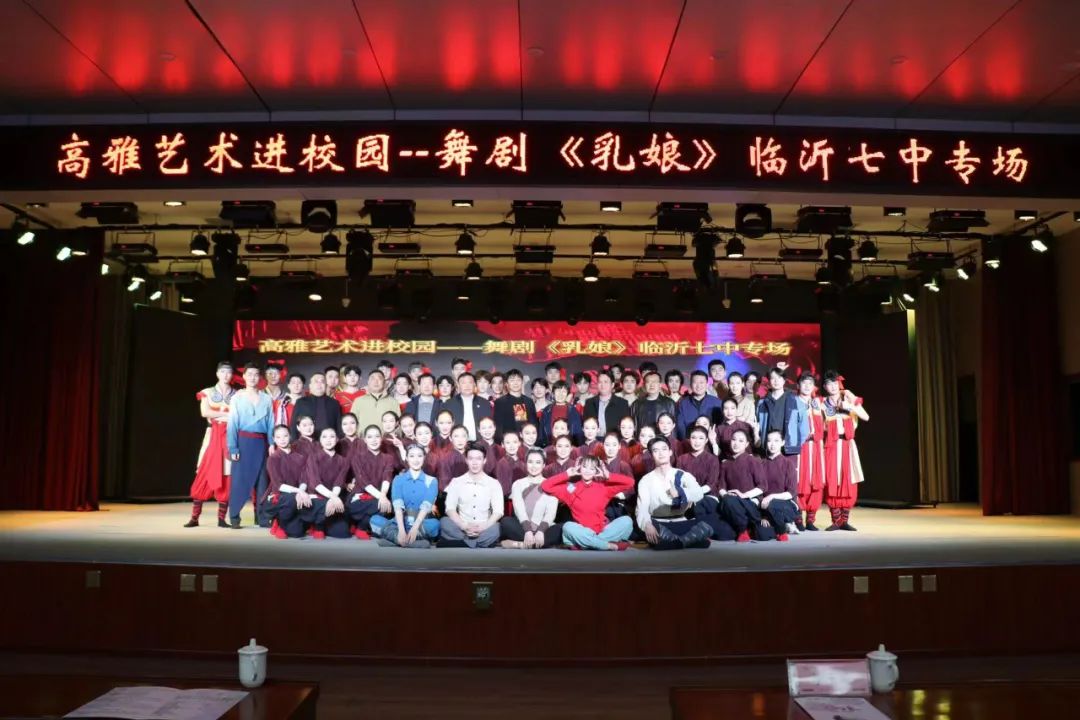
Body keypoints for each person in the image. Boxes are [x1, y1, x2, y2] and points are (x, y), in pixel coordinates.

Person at [542, 456, 634, 551]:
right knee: (567, 527)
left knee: (627, 521)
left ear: (596, 471)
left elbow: (630, 483)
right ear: (579, 468)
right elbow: (545, 486)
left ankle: (588, 544)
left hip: (601, 532)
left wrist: (608, 475)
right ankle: (608, 545)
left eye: (592, 468)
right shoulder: (570, 488)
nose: (587, 471)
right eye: (585, 467)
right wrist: (567, 474)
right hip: (581, 532)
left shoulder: (604, 487)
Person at [635, 437, 712, 550]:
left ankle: (674, 542)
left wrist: (681, 492)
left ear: (670, 452)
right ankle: (688, 540)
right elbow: (642, 508)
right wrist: (647, 525)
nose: (661, 453)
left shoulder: (682, 475)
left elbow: (698, 493)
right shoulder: (646, 480)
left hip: (681, 521)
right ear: (651, 455)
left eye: (664, 449)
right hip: (659, 523)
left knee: (708, 523)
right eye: (656, 450)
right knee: (647, 529)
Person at [185, 361, 234, 528]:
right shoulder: (207, 392)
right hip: (212, 434)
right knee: (205, 471)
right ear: (217, 373)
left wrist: (218, 415)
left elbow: (238, 416)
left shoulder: (237, 395)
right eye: (223, 371)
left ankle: (222, 518)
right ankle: (194, 517)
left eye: (229, 372)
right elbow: (204, 412)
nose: (226, 375)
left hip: (229, 436)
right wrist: (226, 415)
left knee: (227, 473)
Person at [226, 363, 273, 528]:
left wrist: (272, 443)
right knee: (239, 480)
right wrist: (233, 447)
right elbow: (232, 424)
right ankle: (234, 517)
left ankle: (262, 518)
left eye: (256, 374)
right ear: (244, 376)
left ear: (259, 378)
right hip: (243, 441)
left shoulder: (266, 398)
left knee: (262, 481)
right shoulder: (237, 398)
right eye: (250, 374)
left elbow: (271, 423)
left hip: (261, 442)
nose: (253, 377)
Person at [820, 371, 869, 531]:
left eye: (835, 383)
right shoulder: (822, 403)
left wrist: (851, 406)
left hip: (848, 444)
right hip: (831, 445)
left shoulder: (848, 398)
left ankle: (844, 520)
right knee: (832, 479)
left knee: (849, 480)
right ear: (825, 386)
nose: (833, 387)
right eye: (829, 384)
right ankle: (836, 520)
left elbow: (866, 417)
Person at [370, 444, 440, 548]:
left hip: (421, 522)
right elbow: (398, 506)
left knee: (435, 525)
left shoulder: (432, 481)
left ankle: (395, 540)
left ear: (424, 458)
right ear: (406, 458)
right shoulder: (398, 479)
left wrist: (415, 528)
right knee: (374, 520)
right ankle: (409, 541)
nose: (416, 460)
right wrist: (401, 530)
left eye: (419, 456)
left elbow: (426, 506)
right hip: (400, 522)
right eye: (412, 456)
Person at [439, 443, 504, 548]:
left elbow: (498, 512)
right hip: (462, 526)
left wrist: (483, 527)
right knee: (444, 522)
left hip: (484, 527)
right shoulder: (456, 482)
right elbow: (450, 509)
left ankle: (462, 543)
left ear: (484, 460)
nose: (474, 463)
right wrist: (464, 526)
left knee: (497, 528)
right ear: (466, 460)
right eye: (471, 459)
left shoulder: (494, 483)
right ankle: (478, 543)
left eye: (478, 459)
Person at [716, 429, 772, 542]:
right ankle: (744, 528)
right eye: (734, 440)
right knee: (722, 534)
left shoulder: (753, 461)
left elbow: (763, 486)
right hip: (732, 503)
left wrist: (744, 495)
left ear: (746, 444)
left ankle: (746, 527)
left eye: (741, 441)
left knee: (763, 535)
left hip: (750, 502)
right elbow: (721, 486)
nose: (736, 443)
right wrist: (726, 494)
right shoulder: (726, 464)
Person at [500, 449, 562, 549]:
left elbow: (551, 513)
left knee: (562, 528)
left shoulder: (551, 485)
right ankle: (537, 544)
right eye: (530, 462)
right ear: (526, 464)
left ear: (544, 465)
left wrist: (540, 531)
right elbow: (519, 509)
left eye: (538, 462)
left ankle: (520, 544)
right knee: (506, 522)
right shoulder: (518, 484)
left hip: (543, 528)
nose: (534, 466)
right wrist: (528, 531)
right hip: (522, 527)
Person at [300, 427, 351, 539]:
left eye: (332, 437)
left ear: (337, 439)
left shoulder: (343, 461)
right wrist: (332, 497)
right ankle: (317, 526)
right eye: (324, 437)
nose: (328, 440)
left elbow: (339, 482)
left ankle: (324, 523)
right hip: (317, 498)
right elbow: (315, 483)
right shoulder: (313, 457)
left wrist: (333, 498)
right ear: (320, 440)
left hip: (333, 498)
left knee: (343, 533)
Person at [347, 424, 396, 539]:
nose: (374, 440)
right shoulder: (357, 457)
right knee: (383, 506)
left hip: (378, 498)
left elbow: (387, 478)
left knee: (388, 507)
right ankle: (361, 526)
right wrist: (382, 497)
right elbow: (363, 482)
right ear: (365, 440)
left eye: (377, 436)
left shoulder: (388, 458)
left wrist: (383, 495)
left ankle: (361, 526)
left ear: (381, 438)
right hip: (359, 498)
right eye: (370, 437)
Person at [263, 425, 310, 539]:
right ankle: (278, 523)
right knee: (290, 499)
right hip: (279, 497)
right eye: (278, 437)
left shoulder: (300, 457)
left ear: (290, 436)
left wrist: (301, 492)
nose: (282, 439)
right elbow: (278, 485)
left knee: (298, 533)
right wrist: (298, 491)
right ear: (274, 439)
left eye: (285, 436)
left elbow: (304, 478)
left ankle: (288, 521)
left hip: (296, 495)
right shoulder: (272, 459)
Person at [794, 372, 825, 530]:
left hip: (817, 447)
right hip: (801, 446)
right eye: (804, 383)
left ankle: (811, 519)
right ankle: (798, 518)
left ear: (814, 387)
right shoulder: (793, 402)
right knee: (800, 480)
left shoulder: (818, 403)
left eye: (810, 383)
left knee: (816, 481)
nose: (807, 386)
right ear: (798, 385)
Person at [760, 429, 799, 541]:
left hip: (785, 505)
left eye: (776, 441)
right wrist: (763, 516)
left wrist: (771, 496)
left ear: (782, 442)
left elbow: (791, 493)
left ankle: (782, 529)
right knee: (761, 534)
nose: (772, 444)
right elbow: (758, 489)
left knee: (773, 504)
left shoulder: (788, 464)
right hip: (765, 506)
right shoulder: (761, 463)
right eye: (769, 441)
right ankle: (780, 525)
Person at [756, 366, 800, 456]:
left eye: (779, 378)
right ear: (769, 381)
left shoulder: (794, 400)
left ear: (784, 380)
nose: (776, 381)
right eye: (773, 378)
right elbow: (758, 423)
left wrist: (795, 443)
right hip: (768, 447)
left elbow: (802, 426)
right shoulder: (762, 402)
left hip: (788, 447)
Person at [290, 373, 342, 441]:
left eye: (322, 382)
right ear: (310, 386)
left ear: (326, 385)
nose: (319, 384)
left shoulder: (334, 403)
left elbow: (339, 426)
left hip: (329, 442)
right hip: (307, 443)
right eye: (316, 381)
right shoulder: (301, 402)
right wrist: (294, 443)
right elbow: (294, 425)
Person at [442, 372, 493, 441]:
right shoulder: (449, 404)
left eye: (470, 383)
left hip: (479, 443)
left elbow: (489, 424)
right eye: (463, 383)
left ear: (474, 384)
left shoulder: (484, 403)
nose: (467, 386)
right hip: (457, 443)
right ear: (458, 385)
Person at [582, 370, 631, 437]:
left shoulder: (622, 403)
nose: (602, 385)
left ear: (612, 385)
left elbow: (626, 427)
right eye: (600, 382)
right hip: (595, 440)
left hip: (615, 441)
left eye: (606, 382)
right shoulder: (589, 403)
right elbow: (585, 426)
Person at [676, 370, 723, 439]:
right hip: (689, 442)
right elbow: (680, 427)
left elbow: (720, 426)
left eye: (701, 382)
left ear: (707, 384)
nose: (698, 386)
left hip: (712, 442)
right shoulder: (683, 403)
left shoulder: (717, 402)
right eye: (695, 382)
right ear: (690, 384)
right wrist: (687, 442)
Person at [493, 369, 538, 437]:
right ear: (506, 384)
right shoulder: (500, 402)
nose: (515, 383)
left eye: (518, 380)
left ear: (522, 382)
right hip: (508, 440)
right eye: (512, 380)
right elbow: (498, 426)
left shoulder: (529, 401)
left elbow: (534, 423)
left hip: (527, 440)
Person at [676, 426, 719, 496]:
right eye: (693, 438)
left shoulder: (712, 459)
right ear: (689, 439)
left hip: (707, 495)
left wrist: (695, 493)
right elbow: (679, 480)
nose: (697, 441)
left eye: (701, 438)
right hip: (686, 495)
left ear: (706, 440)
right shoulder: (681, 459)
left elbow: (712, 483)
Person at [539, 380, 584, 447]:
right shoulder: (546, 410)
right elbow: (541, 433)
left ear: (567, 394)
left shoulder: (574, 411)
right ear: (553, 393)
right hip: (549, 447)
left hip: (568, 448)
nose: (560, 394)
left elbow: (579, 434)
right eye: (558, 391)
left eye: (564, 392)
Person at [494, 430, 526, 496]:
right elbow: (505, 490)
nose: (512, 446)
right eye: (508, 443)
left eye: (515, 442)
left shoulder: (523, 463)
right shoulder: (502, 464)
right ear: (503, 445)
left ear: (519, 443)